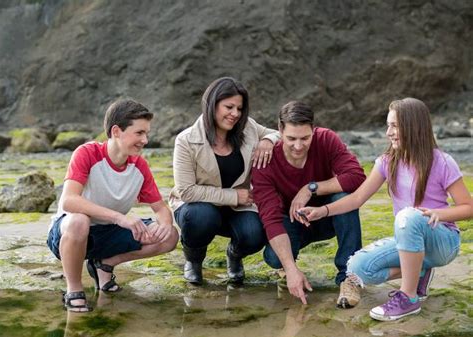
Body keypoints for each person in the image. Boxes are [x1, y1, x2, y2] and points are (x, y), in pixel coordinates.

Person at [299, 97, 473, 321]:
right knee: (356, 267)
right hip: (410, 239)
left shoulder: (442, 162)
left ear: (413, 127)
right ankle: (419, 270)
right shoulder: (386, 162)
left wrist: (439, 214)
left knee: (408, 216)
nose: (388, 132)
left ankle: (408, 297)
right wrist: (322, 211)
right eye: (388, 125)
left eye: (394, 126)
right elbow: (356, 198)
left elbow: (468, 207)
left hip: (443, 241)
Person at [47, 99, 179, 312]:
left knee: (171, 235)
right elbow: (69, 201)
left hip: (108, 235)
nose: (145, 140)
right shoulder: (87, 153)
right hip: (68, 233)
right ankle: (74, 289)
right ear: (116, 131)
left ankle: (104, 264)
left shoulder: (139, 166)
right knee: (79, 220)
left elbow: (162, 208)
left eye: (146, 133)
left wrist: (164, 223)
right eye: (139, 133)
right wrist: (119, 217)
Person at [252, 101, 366, 305]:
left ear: (313, 130)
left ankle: (349, 276)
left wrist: (310, 188)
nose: (298, 146)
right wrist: (291, 269)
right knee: (274, 258)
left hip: (328, 215)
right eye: (291, 138)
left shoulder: (326, 139)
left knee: (344, 197)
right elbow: (270, 217)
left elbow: (356, 176)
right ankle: (288, 270)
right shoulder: (265, 162)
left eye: (305, 138)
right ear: (279, 130)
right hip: (293, 222)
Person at [169, 77, 280, 285]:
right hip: (199, 206)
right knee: (200, 217)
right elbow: (186, 191)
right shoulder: (186, 140)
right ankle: (193, 260)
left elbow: (280, 133)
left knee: (255, 234)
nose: (235, 114)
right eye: (229, 107)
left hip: (237, 208)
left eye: (239, 108)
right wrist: (233, 196)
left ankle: (234, 255)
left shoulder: (248, 127)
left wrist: (267, 140)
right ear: (212, 104)